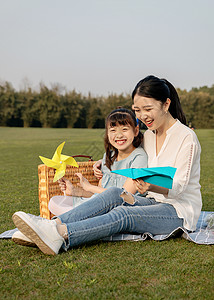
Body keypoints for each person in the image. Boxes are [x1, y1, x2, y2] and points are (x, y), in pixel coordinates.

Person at [12, 75, 202, 255]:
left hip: (179, 212)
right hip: (152, 201)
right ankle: (50, 226)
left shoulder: (186, 138)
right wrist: (101, 162)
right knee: (113, 194)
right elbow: (127, 151)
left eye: (148, 108)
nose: (142, 116)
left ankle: (61, 234)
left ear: (166, 104)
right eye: (137, 110)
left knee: (124, 214)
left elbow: (179, 187)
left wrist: (151, 185)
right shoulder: (149, 136)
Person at [48, 108, 147, 215]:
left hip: (122, 210)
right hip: (101, 205)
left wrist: (89, 187)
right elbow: (99, 196)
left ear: (136, 131)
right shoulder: (108, 157)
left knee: (71, 212)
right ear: (108, 134)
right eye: (113, 130)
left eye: (124, 129)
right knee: (54, 202)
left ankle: (71, 219)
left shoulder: (139, 157)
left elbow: (124, 196)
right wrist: (75, 191)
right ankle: (73, 218)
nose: (119, 135)